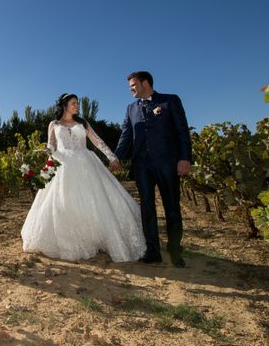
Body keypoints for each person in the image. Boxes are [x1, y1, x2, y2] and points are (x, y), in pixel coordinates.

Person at [21, 93, 146, 262]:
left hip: (84, 163)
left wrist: (111, 156)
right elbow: (52, 145)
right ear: (64, 105)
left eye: (77, 103)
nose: (77, 106)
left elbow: (96, 141)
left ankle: (98, 238)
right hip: (62, 164)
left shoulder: (83, 123)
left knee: (94, 201)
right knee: (63, 201)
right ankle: (67, 242)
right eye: (74, 103)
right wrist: (45, 150)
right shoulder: (54, 124)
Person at [110, 71, 192, 267]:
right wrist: (115, 157)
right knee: (147, 207)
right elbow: (125, 136)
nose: (130, 89)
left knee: (172, 207)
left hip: (167, 163)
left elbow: (182, 130)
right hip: (142, 166)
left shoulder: (170, 101)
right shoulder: (131, 108)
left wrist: (184, 158)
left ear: (145, 83)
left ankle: (174, 250)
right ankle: (153, 250)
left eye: (133, 85)